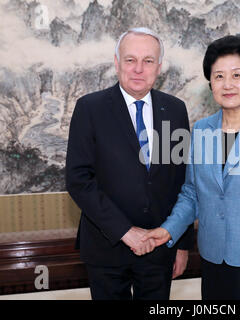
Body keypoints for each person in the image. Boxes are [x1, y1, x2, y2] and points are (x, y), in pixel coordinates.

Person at [142, 35, 240, 300]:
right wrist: (168, 229)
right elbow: (192, 193)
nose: (227, 84)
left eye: (237, 75)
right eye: (218, 77)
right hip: (214, 258)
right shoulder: (203, 129)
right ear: (211, 84)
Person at [65, 27, 194, 300]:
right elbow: (79, 180)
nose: (138, 68)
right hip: (106, 246)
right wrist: (125, 232)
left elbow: (181, 180)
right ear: (116, 63)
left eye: (148, 61)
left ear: (159, 67)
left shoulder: (175, 109)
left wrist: (181, 244)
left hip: (159, 246)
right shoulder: (90, 108)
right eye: (130, 59)